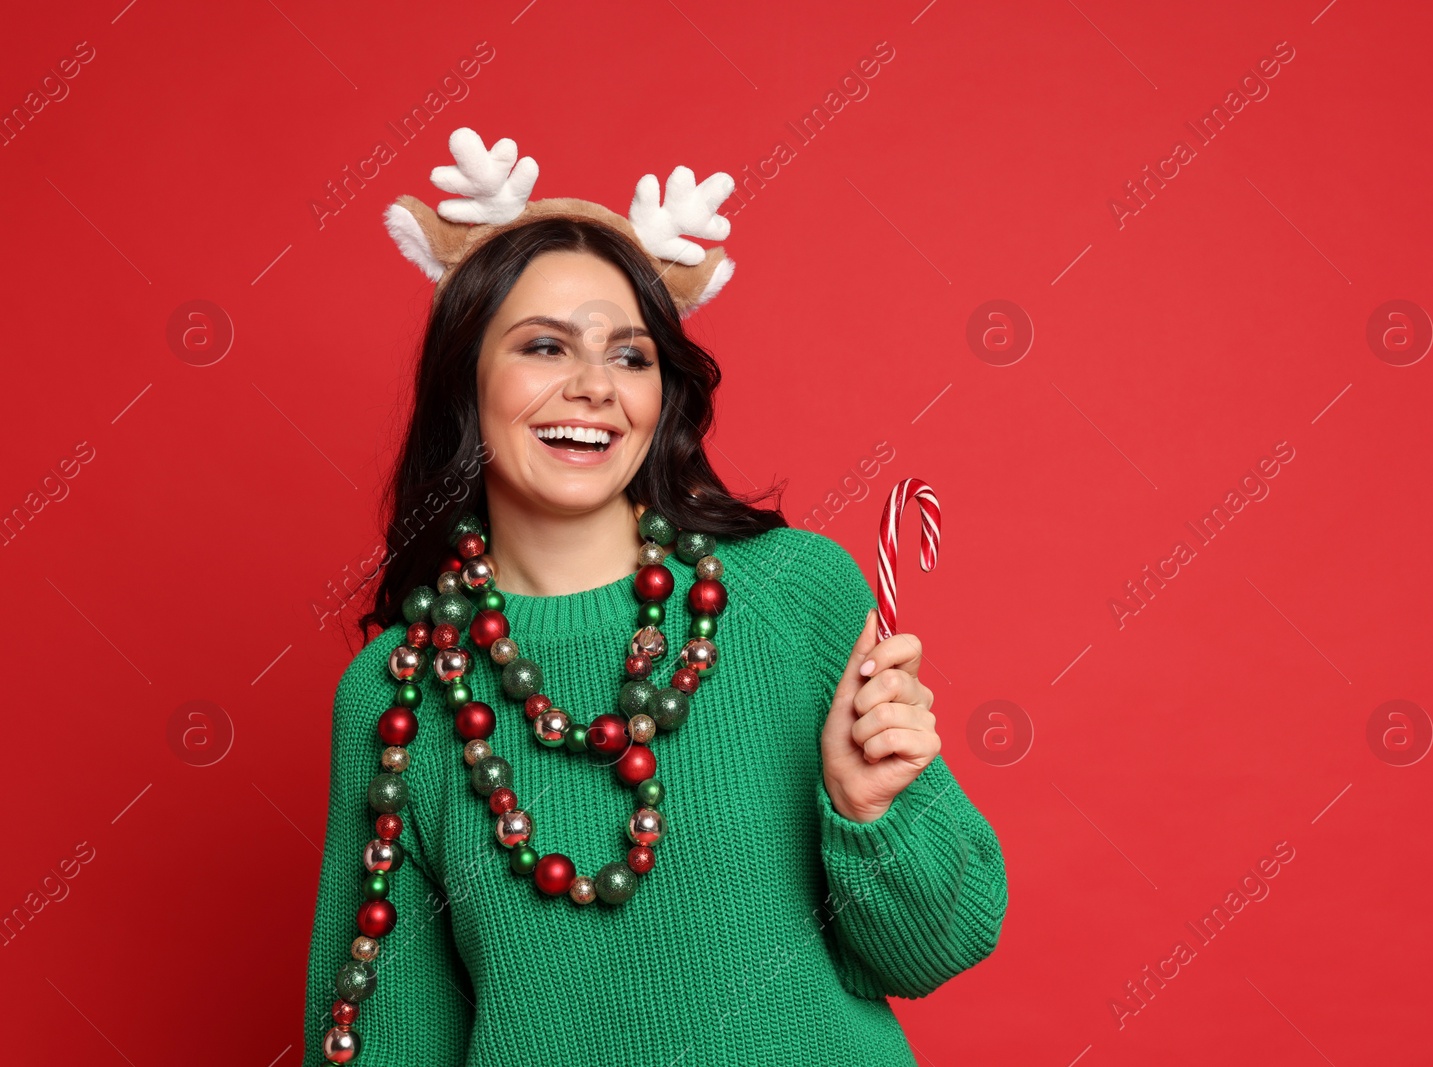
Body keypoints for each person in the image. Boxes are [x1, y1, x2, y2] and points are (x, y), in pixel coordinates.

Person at [300, 128, 1007, 1066]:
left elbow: (942, 944)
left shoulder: (796, 593)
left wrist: (870, 809)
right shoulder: (398, 694)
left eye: (630, 357)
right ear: (465, 379)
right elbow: (382, 1039)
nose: (593, 387)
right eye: (545, 347)